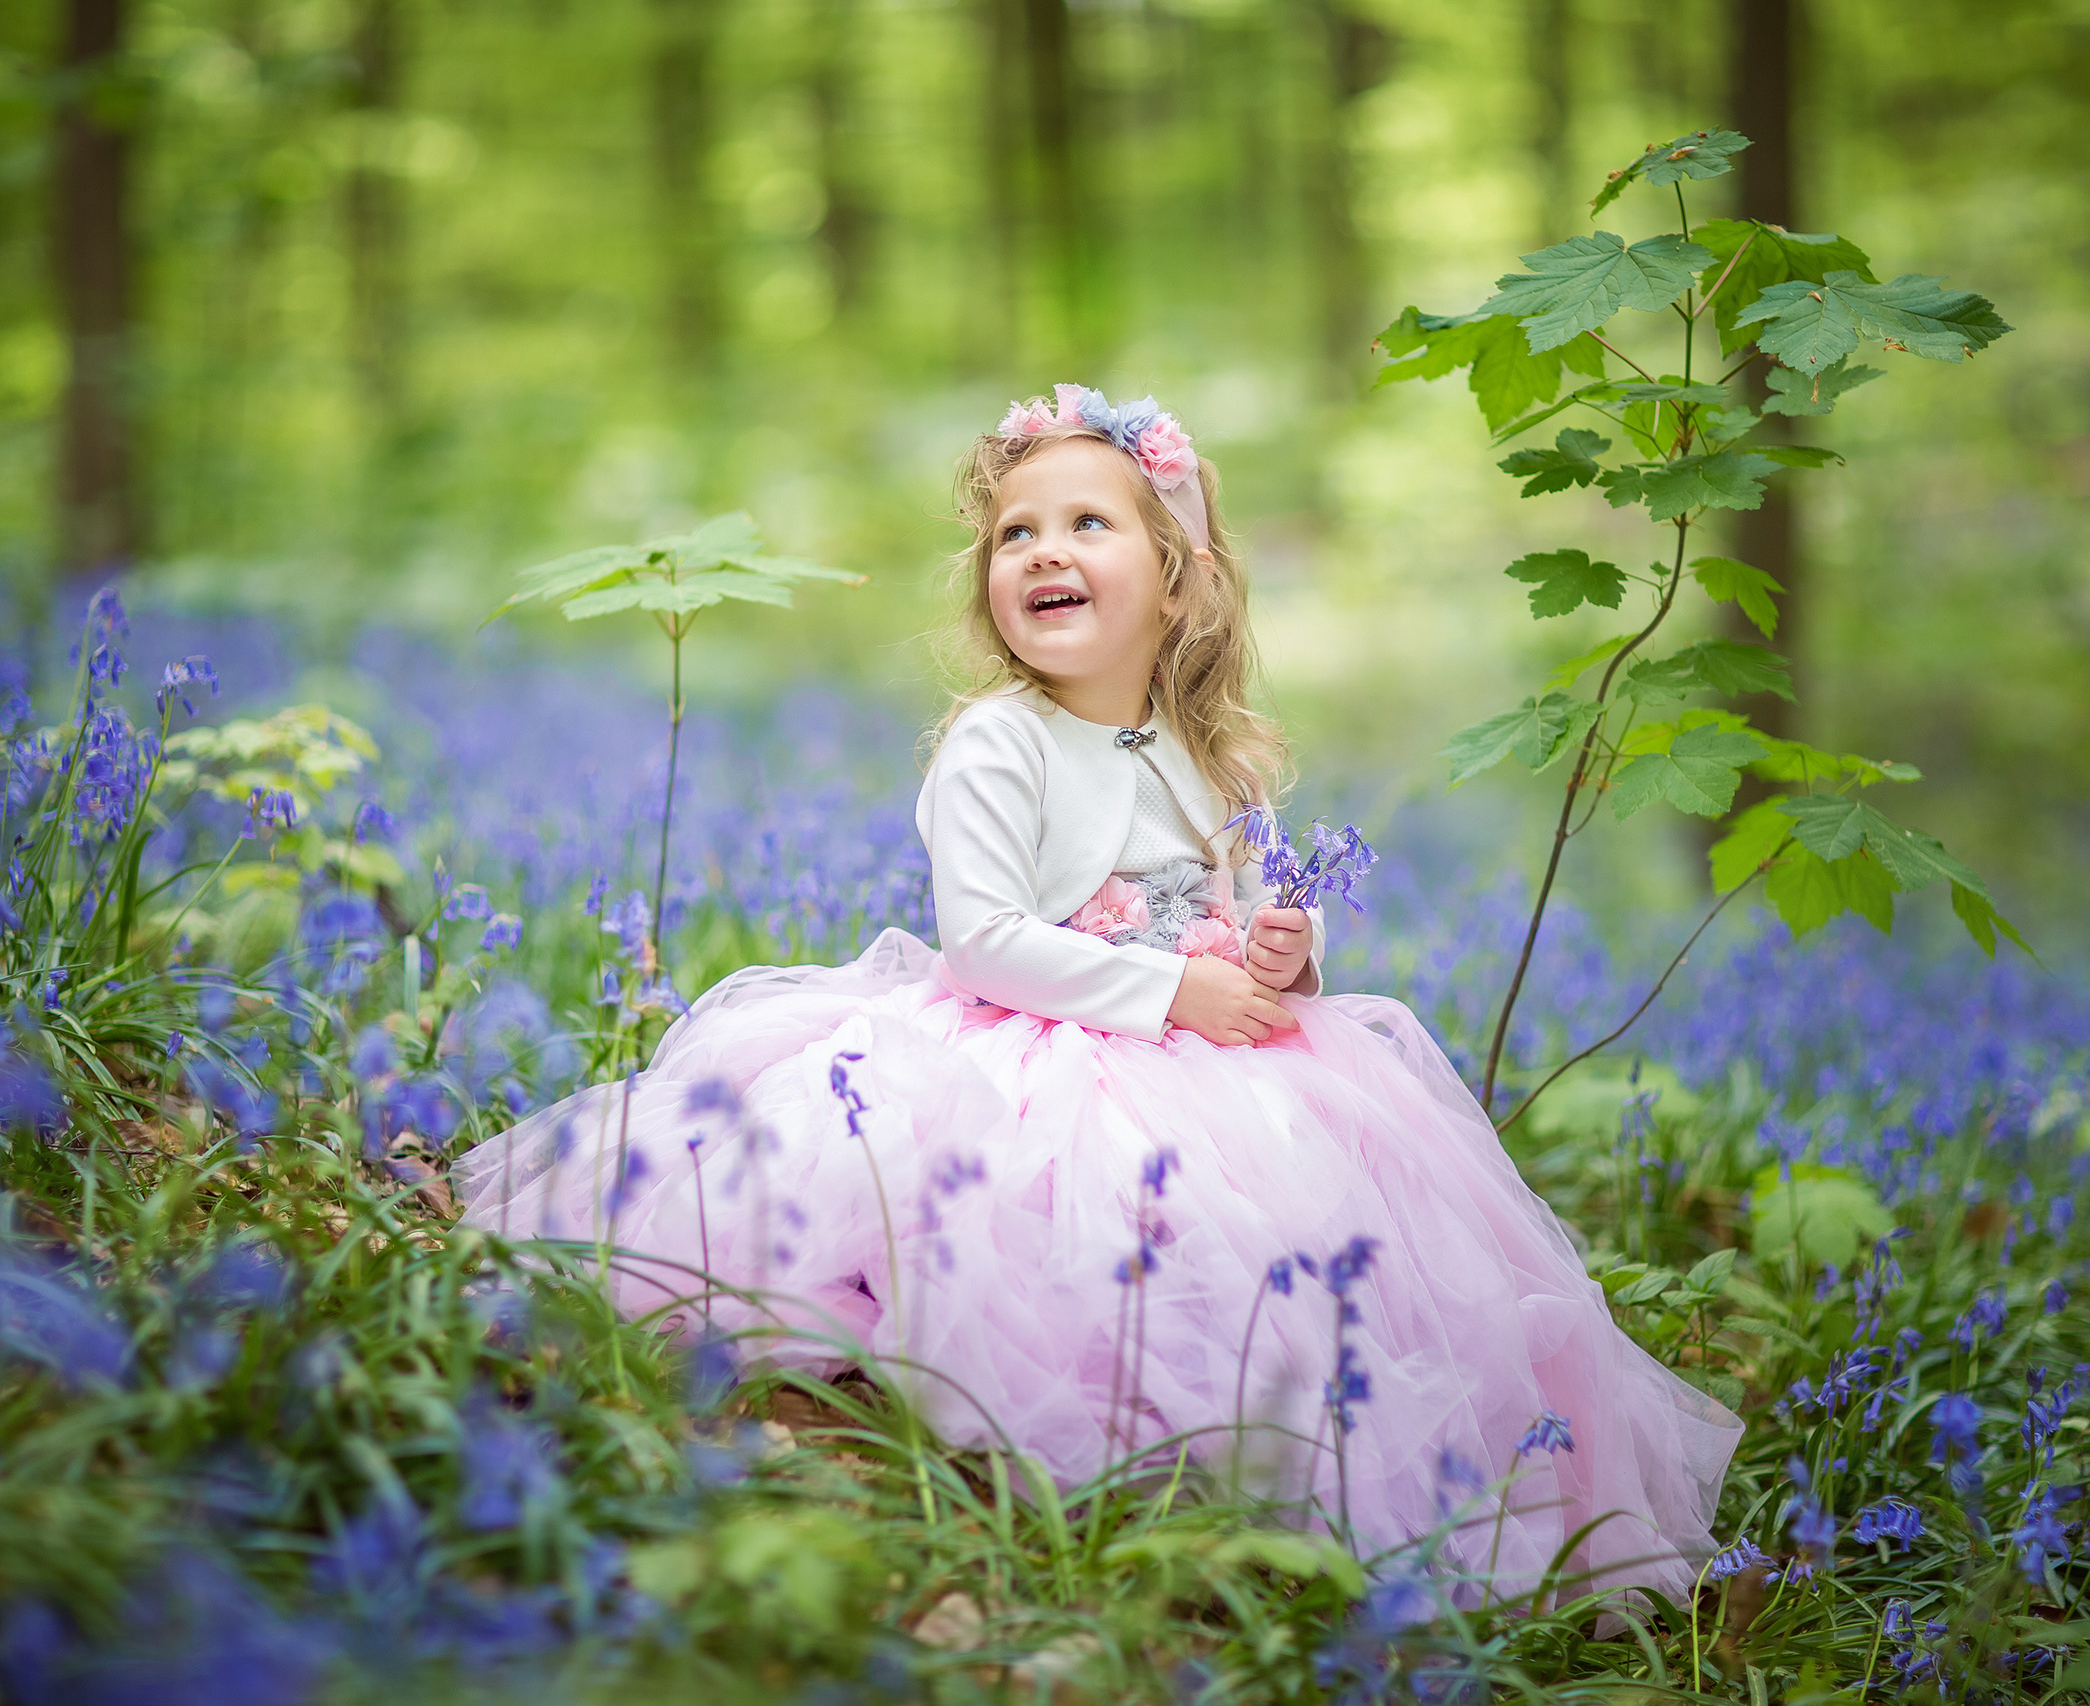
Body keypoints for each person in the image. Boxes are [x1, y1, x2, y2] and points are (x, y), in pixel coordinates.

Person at [453, 385, 1738, 1604]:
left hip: (1219, 1061)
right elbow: (984, 944)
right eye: (1016, 532)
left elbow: (1236, 930)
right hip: (1035, 1048)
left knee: (1286, 1242)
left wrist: (1282, 959)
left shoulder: (1215, 757)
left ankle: (1282, 1469)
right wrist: (1173, 988)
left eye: (1086, 523)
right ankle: (1031, 1455)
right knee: (1044, 1236)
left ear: (1176, 582)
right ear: (988, 582)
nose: (1042, 550)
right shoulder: (996, 741)